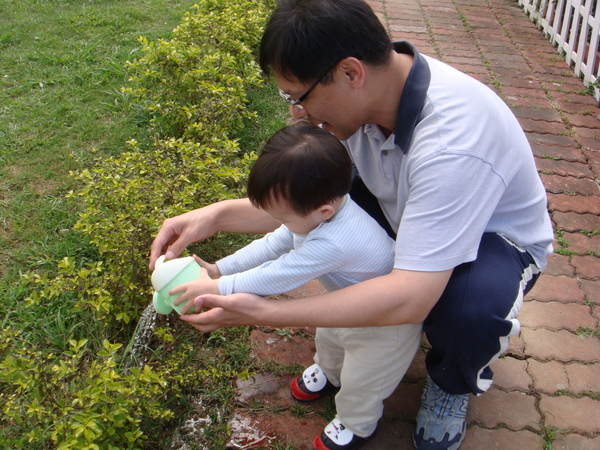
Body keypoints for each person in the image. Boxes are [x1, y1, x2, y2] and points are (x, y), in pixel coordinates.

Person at [149, 1, 554, 449]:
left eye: (297, 97)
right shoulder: (368, 102)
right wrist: (214, 215)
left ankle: (453, 383)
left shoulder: (450, 145)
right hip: (409, 205)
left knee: (464, 312)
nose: (298, 113)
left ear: (349, 73)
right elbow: (302, 206)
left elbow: (410, 300)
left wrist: (262, 311)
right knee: (327, 194)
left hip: (493, 241)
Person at [170, 123, 423, 449]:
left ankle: (356, 422)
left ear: (323, 210)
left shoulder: (334, 242)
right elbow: (273, 243)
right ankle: (330, 373)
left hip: (386, 324)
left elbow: (278, 273)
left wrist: (218, 290)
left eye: (285, 218)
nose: (283, 225)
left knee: (364, 381)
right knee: (329, 339)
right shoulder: (319, 213)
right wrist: (219, 270)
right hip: (346, 304)